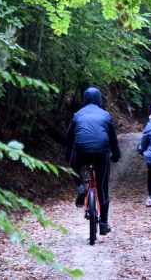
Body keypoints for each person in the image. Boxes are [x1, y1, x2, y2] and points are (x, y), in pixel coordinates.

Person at [65, 87, 120, 235]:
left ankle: (81, 188)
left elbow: (69, 138)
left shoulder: (77, 115)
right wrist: (116, 153)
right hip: (101, 152)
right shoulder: (106, 115)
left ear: (84, 99)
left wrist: (68, 156)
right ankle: (103, 223)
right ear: (99, 100)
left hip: (81, 150)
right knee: (102, 187)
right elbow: (113, 138)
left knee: (73, 167)